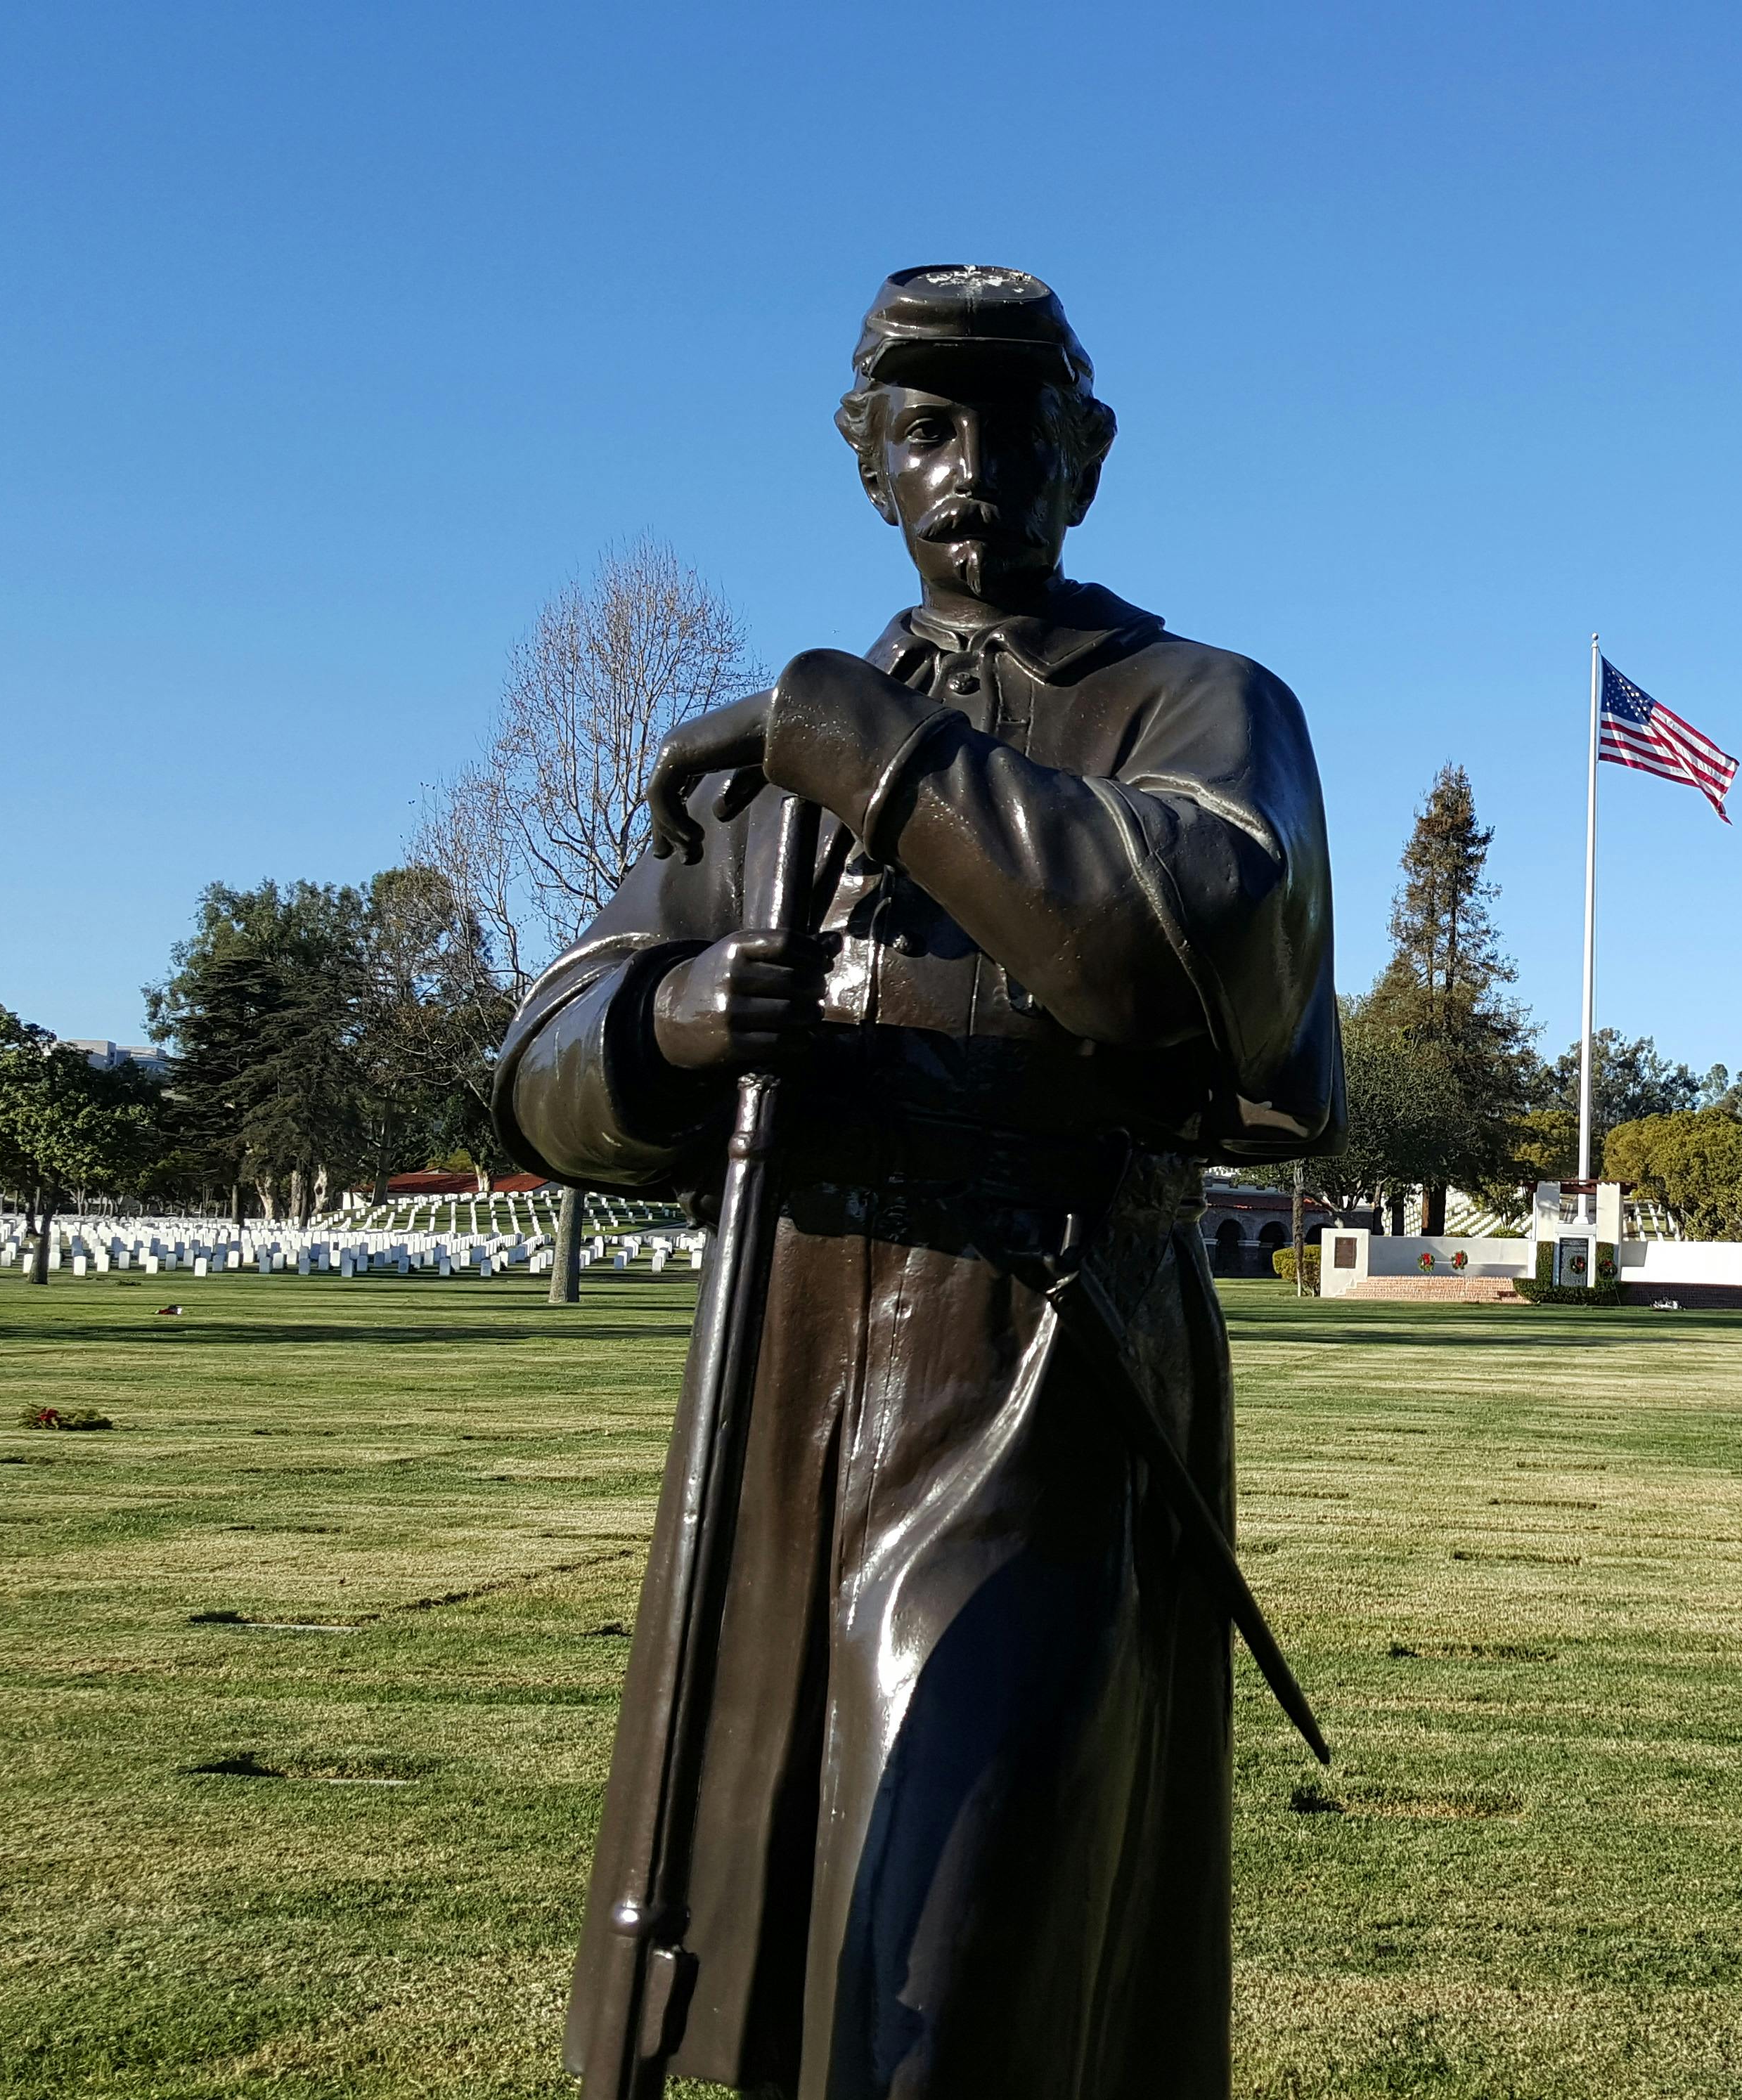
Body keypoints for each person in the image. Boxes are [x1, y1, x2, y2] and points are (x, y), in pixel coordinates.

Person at [497, 264, 1338, 2100]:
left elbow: (1195, 939)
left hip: (1043, 1391)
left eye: (1016, 427)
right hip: (783, 1405)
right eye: (928, 429)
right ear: (867, 459)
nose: (974, 468)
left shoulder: (1194, 706)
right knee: (777, 1951)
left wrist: (868, 751)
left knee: (959, 1959)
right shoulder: (766, 775)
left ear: (1088, 454)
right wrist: (676, 1015)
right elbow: (545, 1057)